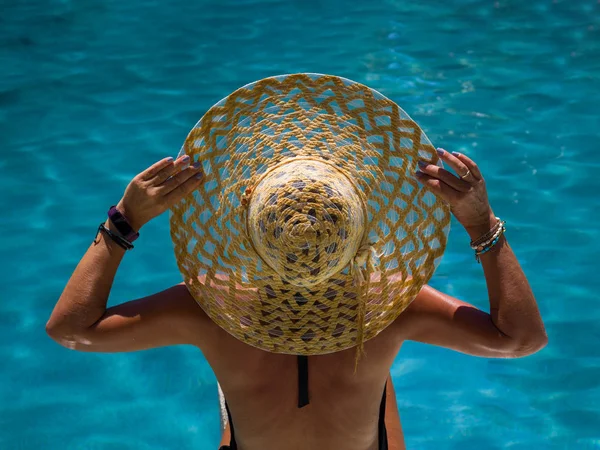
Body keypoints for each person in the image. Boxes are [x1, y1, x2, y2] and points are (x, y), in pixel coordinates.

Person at [46, 75, 547, 450]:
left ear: (246, 221)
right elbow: (521, 339)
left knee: (237, 394)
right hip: (363, 387)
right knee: (376, 376)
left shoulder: (208, 303)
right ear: (361, 223)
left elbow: (72, 330)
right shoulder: (391, 303)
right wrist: (483, 229)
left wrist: (123, 222)